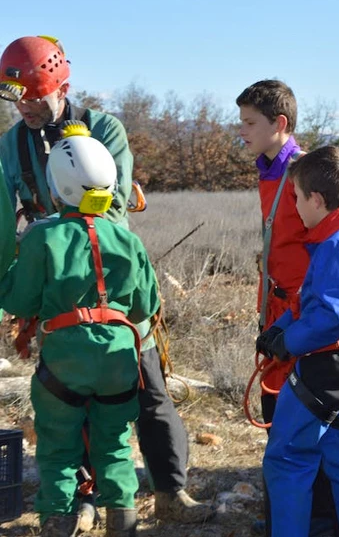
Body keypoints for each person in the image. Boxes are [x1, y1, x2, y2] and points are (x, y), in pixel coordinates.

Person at [0, 35, 211, 525]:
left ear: (61, 86)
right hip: (55, 284)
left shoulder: (104, 129)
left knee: (148, 390)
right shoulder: (11, 145)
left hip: (109, 280)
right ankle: (91, 500)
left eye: (35, 97)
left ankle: (170, 491)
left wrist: (59, 228)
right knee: (69, 397)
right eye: (18, 100)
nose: (26, 108)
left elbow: (112, 207)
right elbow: (8, 218)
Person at [0, 124, 159, 536]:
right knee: (115, 446)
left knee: (57, 448)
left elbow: (19, 302)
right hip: (120, 362)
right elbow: (147, 306)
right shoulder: (128, 241)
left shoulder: (42, 238)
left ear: (58, 189)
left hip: (65, 364)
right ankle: (122, 524)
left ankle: (58, 520)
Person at [236, 79, 339, 535]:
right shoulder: (269, 170)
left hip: (304, 320)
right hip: (279, 312)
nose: (241, 130)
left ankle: (314, 520)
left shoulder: (304, 175)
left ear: (279, 124)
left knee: (307, 418)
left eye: (249, 122)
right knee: (282, 413)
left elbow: (330, 245)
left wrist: (299, 317)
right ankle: (287, 514)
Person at [257, 146, 339, 537]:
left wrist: (289, 341)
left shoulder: (335, 245)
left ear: (316, 199)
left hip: (321, 372)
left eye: (296, 197)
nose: (295, 207)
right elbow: (316, 301)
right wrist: (280, 328)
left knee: (287, 459)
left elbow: (335, 313)